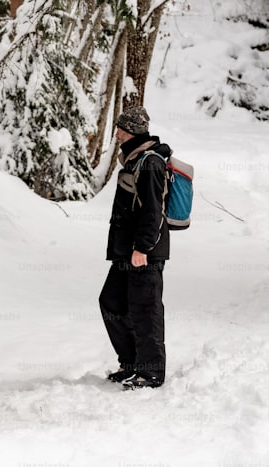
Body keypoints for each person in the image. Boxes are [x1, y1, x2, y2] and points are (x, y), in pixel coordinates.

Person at [98, 105, 171, 389]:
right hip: (126, 252)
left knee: (145, 310)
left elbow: (153, 212)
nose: (116, 133)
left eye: (120, 128)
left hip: (144, 253)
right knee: (112, 303)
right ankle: (131, 364)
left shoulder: (150, 163)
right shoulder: (133, 159)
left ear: (130, 131)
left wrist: (142, 248)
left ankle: (151, 373)